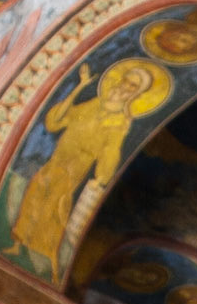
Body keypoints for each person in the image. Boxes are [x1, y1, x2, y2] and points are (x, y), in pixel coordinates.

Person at [10, 57, 171, 278]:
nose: (125, 87)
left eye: (132, 86)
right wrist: (80, 87)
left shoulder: (121, 121)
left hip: (76, 166)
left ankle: (48, 259)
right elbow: (56, 121)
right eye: (126, 81)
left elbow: (111, 151)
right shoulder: (96, 102)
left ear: (136, 94)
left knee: (57, 204)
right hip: (58, 158)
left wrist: (102, 177)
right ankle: (19, 243)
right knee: (35, 194)